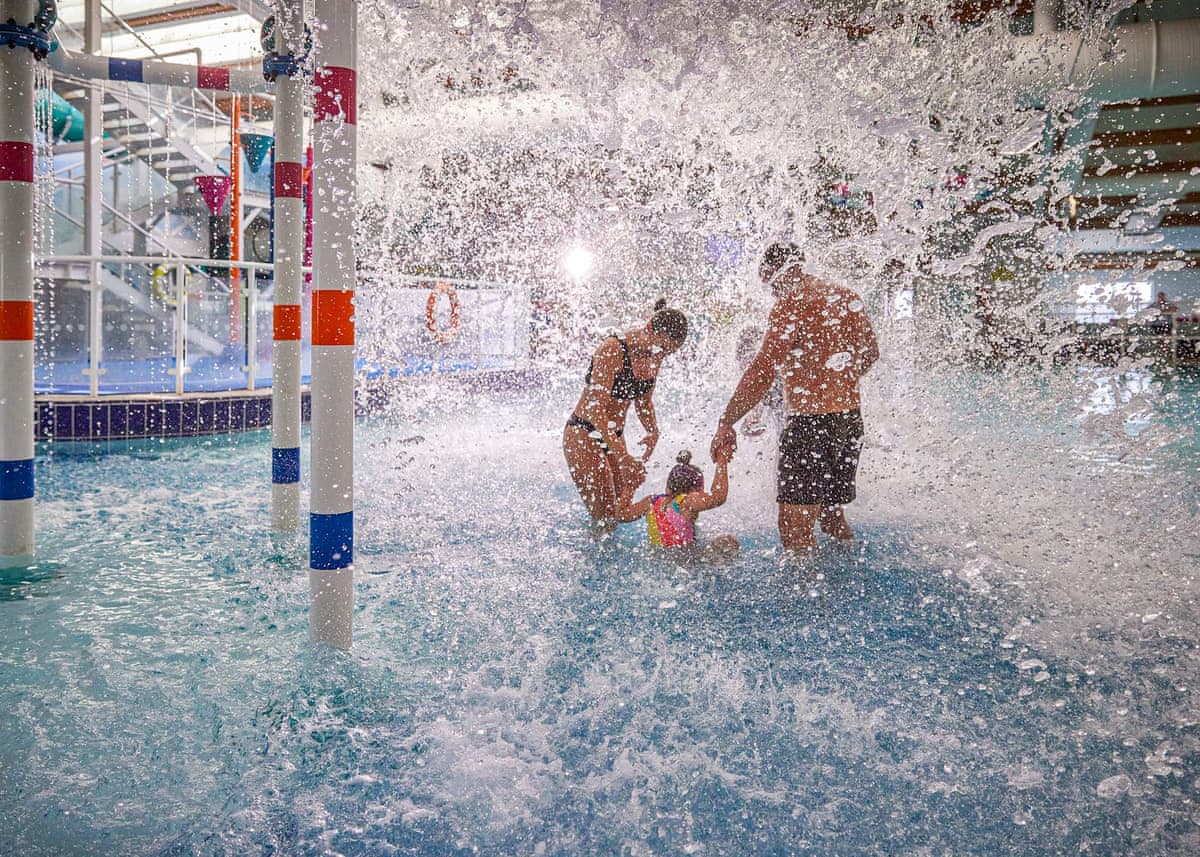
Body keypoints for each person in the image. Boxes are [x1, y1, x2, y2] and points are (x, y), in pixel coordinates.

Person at [711, 242, 879, 555]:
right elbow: (870, 353)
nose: (772, 293)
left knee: (794, 531)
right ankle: (849, 570)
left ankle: (810, 588)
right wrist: (835, 382)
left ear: (778, 272)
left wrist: (726, 420)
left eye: (769, 283)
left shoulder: (790, 306)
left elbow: (762, 371)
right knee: (831, 518)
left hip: (810, 426)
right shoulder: (846, 297)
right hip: (849, 421)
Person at [563, 299, 689, 530]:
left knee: (619, 508)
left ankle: (651, 504)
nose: (661, 355)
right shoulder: (612, 349)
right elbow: (595, 409)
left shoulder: (654, 356)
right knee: (605, 517)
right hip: (584, 432)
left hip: (614, 435)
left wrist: (653, 431)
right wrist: (622, 457)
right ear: (649, 328)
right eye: (662, 348)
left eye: (668, 352)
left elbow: (644, 402)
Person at [616, 449, 739, 563]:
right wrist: (722, 460)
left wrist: (630, 486)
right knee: (729, 542)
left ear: (668, 486)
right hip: (686, 562)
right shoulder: (686, 502)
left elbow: (621, 515)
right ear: (696, 490)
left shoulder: (652, 501)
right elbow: (718, 497)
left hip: (657, 560)